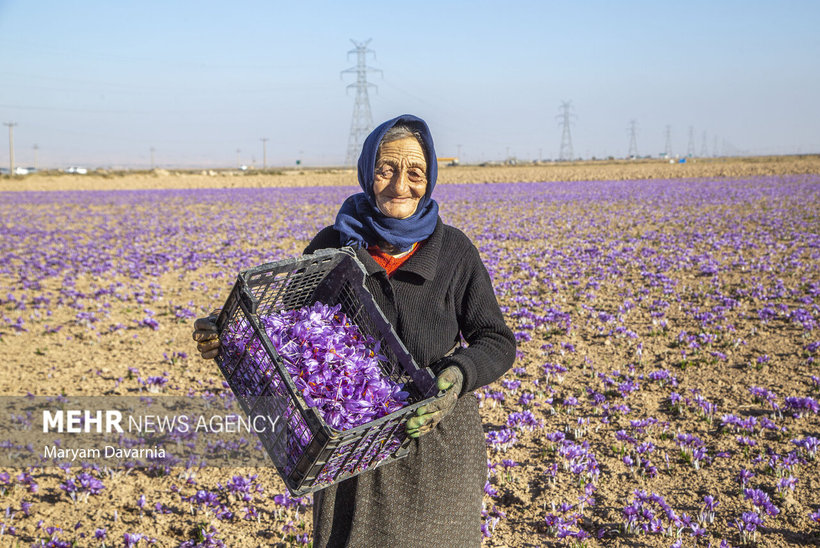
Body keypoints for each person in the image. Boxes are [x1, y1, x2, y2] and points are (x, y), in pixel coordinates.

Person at [193, 114, 516, 547]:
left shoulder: (453, 250)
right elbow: (285, 325)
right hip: (349, 452)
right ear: (367, 172)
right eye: (386, 170)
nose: (401, 186)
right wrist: (230, 331)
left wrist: (457, 374)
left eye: (415, 172)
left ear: (430, 177)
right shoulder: (333, 243)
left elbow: (495, 340)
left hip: (434, 444)